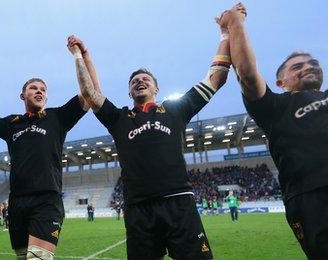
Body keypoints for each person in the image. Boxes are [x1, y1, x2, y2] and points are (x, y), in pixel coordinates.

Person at [69, 12, 232, 257]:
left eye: (145, 79)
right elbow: (90, 94)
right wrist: (80, 56)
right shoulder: (120, 118)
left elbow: (216, 78)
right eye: (134, 81)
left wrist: (225, 34)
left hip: (179, 203)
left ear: (156, 88)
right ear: (128, 92)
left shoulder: (176, 109)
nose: (140, 81)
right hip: (139, 209)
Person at [220, 3, 328, 257]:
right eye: (297, 66)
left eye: (313, 63)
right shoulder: (276, 107)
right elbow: (246, 73)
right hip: (314, 198)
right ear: (281, 82)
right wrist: (235, 23)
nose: (308, 67)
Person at [0, 46, 92, 259]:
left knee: (38, 257)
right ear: (22, 95)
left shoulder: (57, 117)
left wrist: (82, 57)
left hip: (47, 200)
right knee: (24, 257)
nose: (39, 91)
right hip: (17, 202)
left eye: (43, 88)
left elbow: (90, 94)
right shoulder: (11, 123)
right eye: (33, 88)